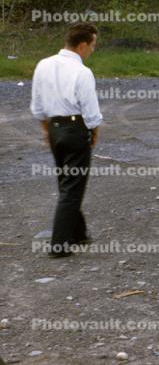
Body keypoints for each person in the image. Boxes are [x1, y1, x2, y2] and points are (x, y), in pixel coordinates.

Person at [30, 23, 103, 258]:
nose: (92, 50)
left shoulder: (43, 65)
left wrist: (47, 131)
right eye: (92, 46)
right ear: (82, 45)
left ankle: (79, 232)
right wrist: (94, 132)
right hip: (75, 129)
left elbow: (38, 106)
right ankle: (59, 244)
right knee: (72, 186)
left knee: (67, 182)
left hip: (54, 128)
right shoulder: (82, 72)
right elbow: (90, 111)